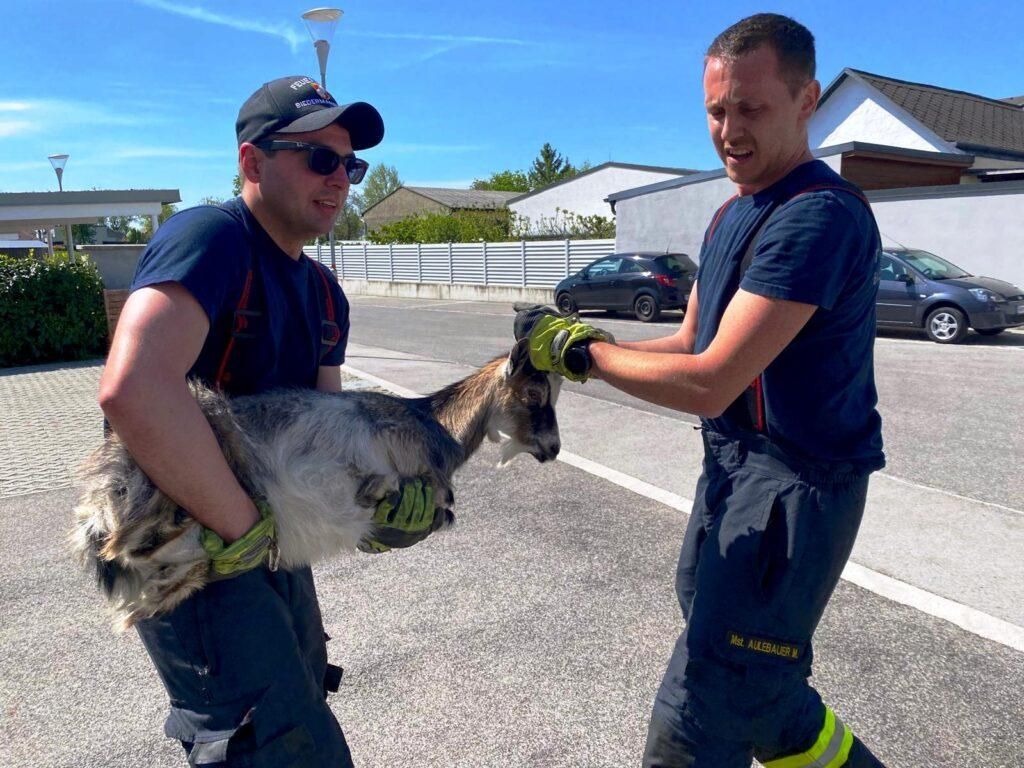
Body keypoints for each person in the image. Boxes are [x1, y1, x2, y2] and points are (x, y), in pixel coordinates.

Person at [515, 14, 888, 768]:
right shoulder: (730, 214)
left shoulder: (817, 216)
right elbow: (687, 344)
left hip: (795, 489)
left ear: (806, 98)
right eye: (717, 110)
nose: (729, 129)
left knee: (700, 711)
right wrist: (584, 348)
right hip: (732, 473)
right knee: (764, 698)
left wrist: (582, 354)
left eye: (751, 108)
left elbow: (714, 379)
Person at [99, 75, 443, 767]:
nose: (341, 178)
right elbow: (133, 390)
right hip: (183, 549)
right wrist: (244, 529)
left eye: (352, 164)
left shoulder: (324, 295)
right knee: (272, 743)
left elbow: (331, 436)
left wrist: (369, 508)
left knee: (305, 687)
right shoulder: (211, 239)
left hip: (260, 540)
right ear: (252, 163)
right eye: (320, 158)